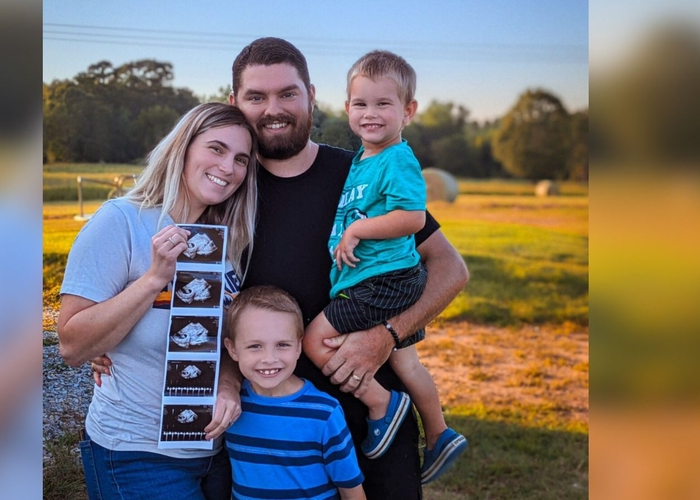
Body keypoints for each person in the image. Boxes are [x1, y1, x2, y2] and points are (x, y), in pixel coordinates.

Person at [93, 37, 469, 499]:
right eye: (256, 97)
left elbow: (451, 268)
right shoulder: (223, 195)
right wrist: (115, 345)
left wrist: (386, 335)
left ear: (311, 95)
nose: (274, 109)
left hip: (374, 428)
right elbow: (186, 300)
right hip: (265, 442)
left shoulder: (360, 175)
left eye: (287, 93)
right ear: (235, 104)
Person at [58, 102, 259, 500]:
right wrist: (153, 280)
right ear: (183, 148)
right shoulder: (122, 221)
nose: (228, 168)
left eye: (241, 159)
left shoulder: (228, 237)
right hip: (136, 453)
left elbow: (228, 339)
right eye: (216, 149)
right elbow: (71, 345)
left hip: (216, 452)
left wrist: (231, 382)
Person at [302, 50, 467, 482]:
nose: (370, 113)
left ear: (408, 111)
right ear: (346, 108)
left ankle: (382, 404)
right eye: (361, 104)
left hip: (381, 282)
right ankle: (439, 433)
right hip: (388, 278)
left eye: (383, 104)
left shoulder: (397, 159)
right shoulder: (363, 160)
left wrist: (357, 232)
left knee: (316, 339)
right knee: (407, 365)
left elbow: (412, 218)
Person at [223, 285, 365, 500]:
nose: (269, 358)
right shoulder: (231, 406)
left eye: (282, 345)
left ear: (299, 347)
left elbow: (352, 491)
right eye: (254, 346)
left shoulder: (324, 413)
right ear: (232, 349)